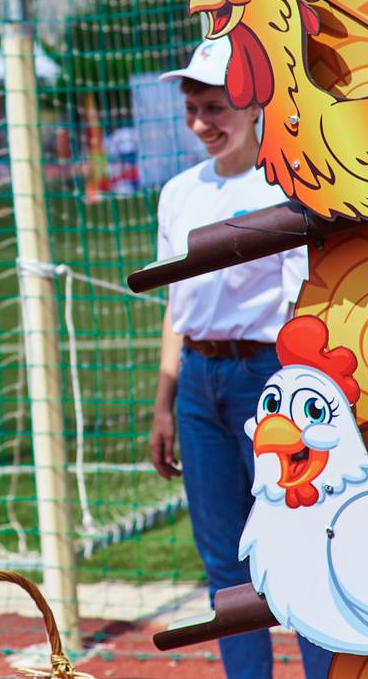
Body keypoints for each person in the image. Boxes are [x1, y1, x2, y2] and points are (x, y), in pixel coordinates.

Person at [148, 38, 333, 679]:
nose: (202, 123)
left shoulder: (286, 185)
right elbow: (176, 306)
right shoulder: (178, 193)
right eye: (192, 109)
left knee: (296, 543)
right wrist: (165, 403)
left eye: (216, 107)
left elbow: (304, 302)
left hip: (267, 378)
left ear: (254, 105)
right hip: (198, 382)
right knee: (223, 559)